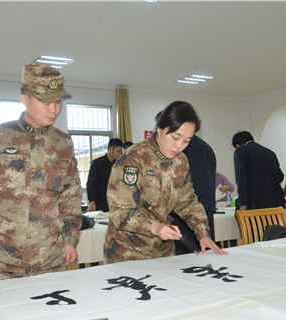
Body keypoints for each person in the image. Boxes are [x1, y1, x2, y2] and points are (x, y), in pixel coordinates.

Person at [0, 64, 82, 284]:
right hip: (0, 260)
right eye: (46, 102)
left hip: (49, 259)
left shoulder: (63, 142)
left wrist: (70, 239)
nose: (54, 109)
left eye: (58, 102)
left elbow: (70, 196)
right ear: (25, 100)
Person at [104, 101, 228, 263]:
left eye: (186, 141)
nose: (179, 146)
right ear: (159, 129)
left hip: (163, 251)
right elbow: (120, 212)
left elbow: (188, 202)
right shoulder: (133, 158)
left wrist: (203, 235)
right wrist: (155, 227)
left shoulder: (181, 161)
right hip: (128, 252)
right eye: (176, 137)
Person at [169, 134, 217, 254]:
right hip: (199, 207)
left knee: (190, 256)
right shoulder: (203, 146)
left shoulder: (189, 149)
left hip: (189, 211)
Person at [232, 131, 286, 211]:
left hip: (255, 203)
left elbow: (242, 178)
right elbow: (280, 177)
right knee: (273, 224)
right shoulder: (270, 153)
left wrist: (243, 202)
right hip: (276, 202)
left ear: (237, 145)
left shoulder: (241, 151)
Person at [86, 138, 124, 212]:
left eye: (121, 151)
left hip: (115, 203)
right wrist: (92, 201)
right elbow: (91, 183)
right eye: (118, 151)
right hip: (99, 202)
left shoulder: (119, 165)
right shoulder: (97, 163)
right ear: (110, 150)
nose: (120, 154)